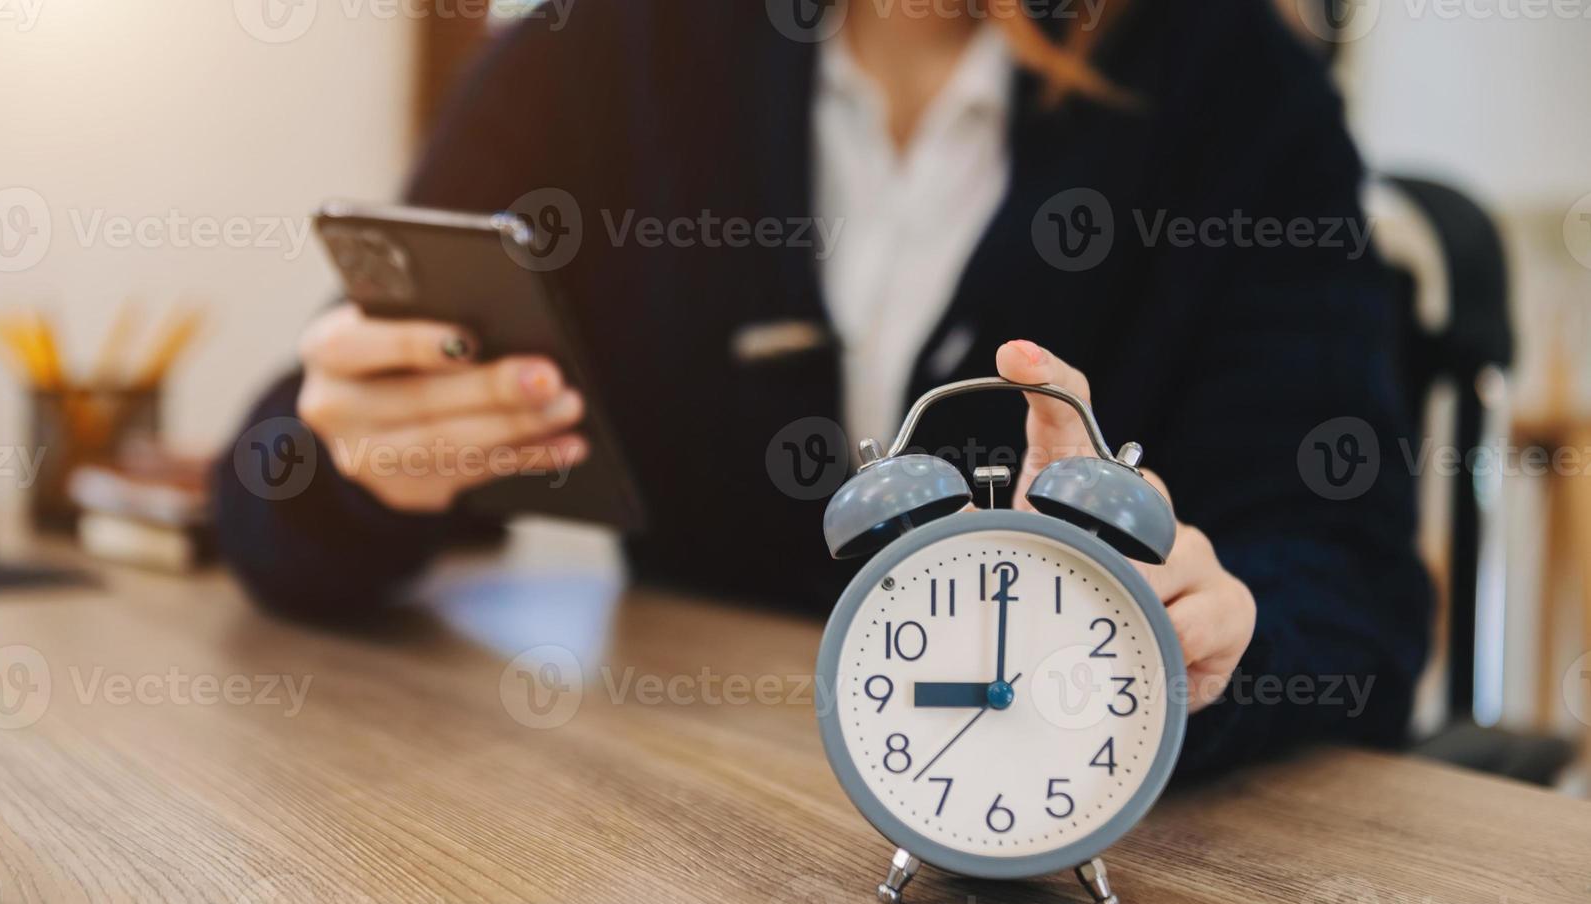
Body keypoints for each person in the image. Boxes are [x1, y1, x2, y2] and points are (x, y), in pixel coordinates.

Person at [214, 0, 1432, 777]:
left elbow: (1354, 593)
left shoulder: (1237, 92)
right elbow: (275, 482)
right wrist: (359, 462)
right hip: (691, 832)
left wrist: (1216, 641)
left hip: (1083, 850)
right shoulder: (605, 53)